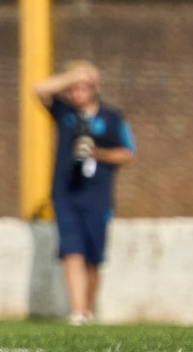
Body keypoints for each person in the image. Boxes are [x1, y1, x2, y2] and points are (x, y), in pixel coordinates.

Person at [34, 62, 137, 325]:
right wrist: (72, 75)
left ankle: (87, 310)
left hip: (98, 197)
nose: (77, 93)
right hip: (65, 194)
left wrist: (97, 153)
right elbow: (39, 90)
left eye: (84, 87)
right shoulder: (65, 113)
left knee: (92, 258)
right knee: (72, 251)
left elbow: (128, 153)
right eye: (73, 88)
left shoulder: (112, 118)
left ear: (95, 88)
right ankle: (78, 312)